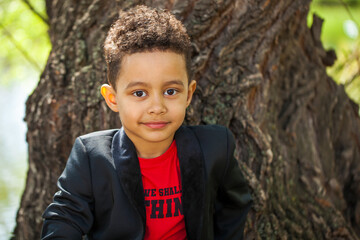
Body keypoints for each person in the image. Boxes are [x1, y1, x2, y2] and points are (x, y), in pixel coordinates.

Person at [41, 5, 252, 240]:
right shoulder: (92, 157)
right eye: (139, 93)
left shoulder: (215, 147)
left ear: (189, 94)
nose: (157, 107)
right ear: (113, 98)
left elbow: (235, 204)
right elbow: (63, 219)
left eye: (171, 91)